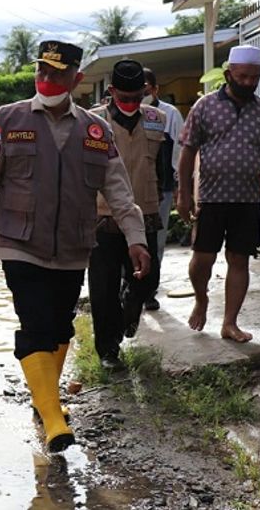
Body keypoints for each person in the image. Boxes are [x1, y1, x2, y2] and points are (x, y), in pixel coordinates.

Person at [0, 40, 151, 452]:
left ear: (77, 79)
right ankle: (53, 418)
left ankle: (44, 398)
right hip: (19, 243)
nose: (47, 79)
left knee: (60, 325)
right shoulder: (8, 120)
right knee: (34, 323)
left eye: (56, 73)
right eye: (42, 71)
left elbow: (119, 192)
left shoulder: (95, 129)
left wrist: (135, 238)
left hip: (72, 246)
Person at [176, 45, 260, 343]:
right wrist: (184, 194)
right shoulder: (205, 107)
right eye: (243, 76)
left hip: (248, 200)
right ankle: (201, 299)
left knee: (239, 260)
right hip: (211, 199)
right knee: (202, 260)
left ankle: (230, 323)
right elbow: (187, 152)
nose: (249, 82)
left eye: (255, 77)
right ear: (228, 74)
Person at [87, 60, 168, 370]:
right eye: (125, 98)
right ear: (111, 92)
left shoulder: (156, 120)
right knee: (103, 287)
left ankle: (130, 309)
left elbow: (162, 167)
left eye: (138, 97)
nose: (133, 103)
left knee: (147, 280)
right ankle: (108, 350)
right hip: (103, 215)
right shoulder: (93, 122)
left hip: (144, 211)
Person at [142, 67, 185, 311]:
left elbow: (179, 151)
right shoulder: (119, 112)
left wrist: (180, 186)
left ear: (156, 89)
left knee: (156, 242)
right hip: (129, 191)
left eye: (146, 89)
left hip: (162, 189)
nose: (142, 94)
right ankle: (129, 287)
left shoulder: (168, 115)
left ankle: (149, 292)